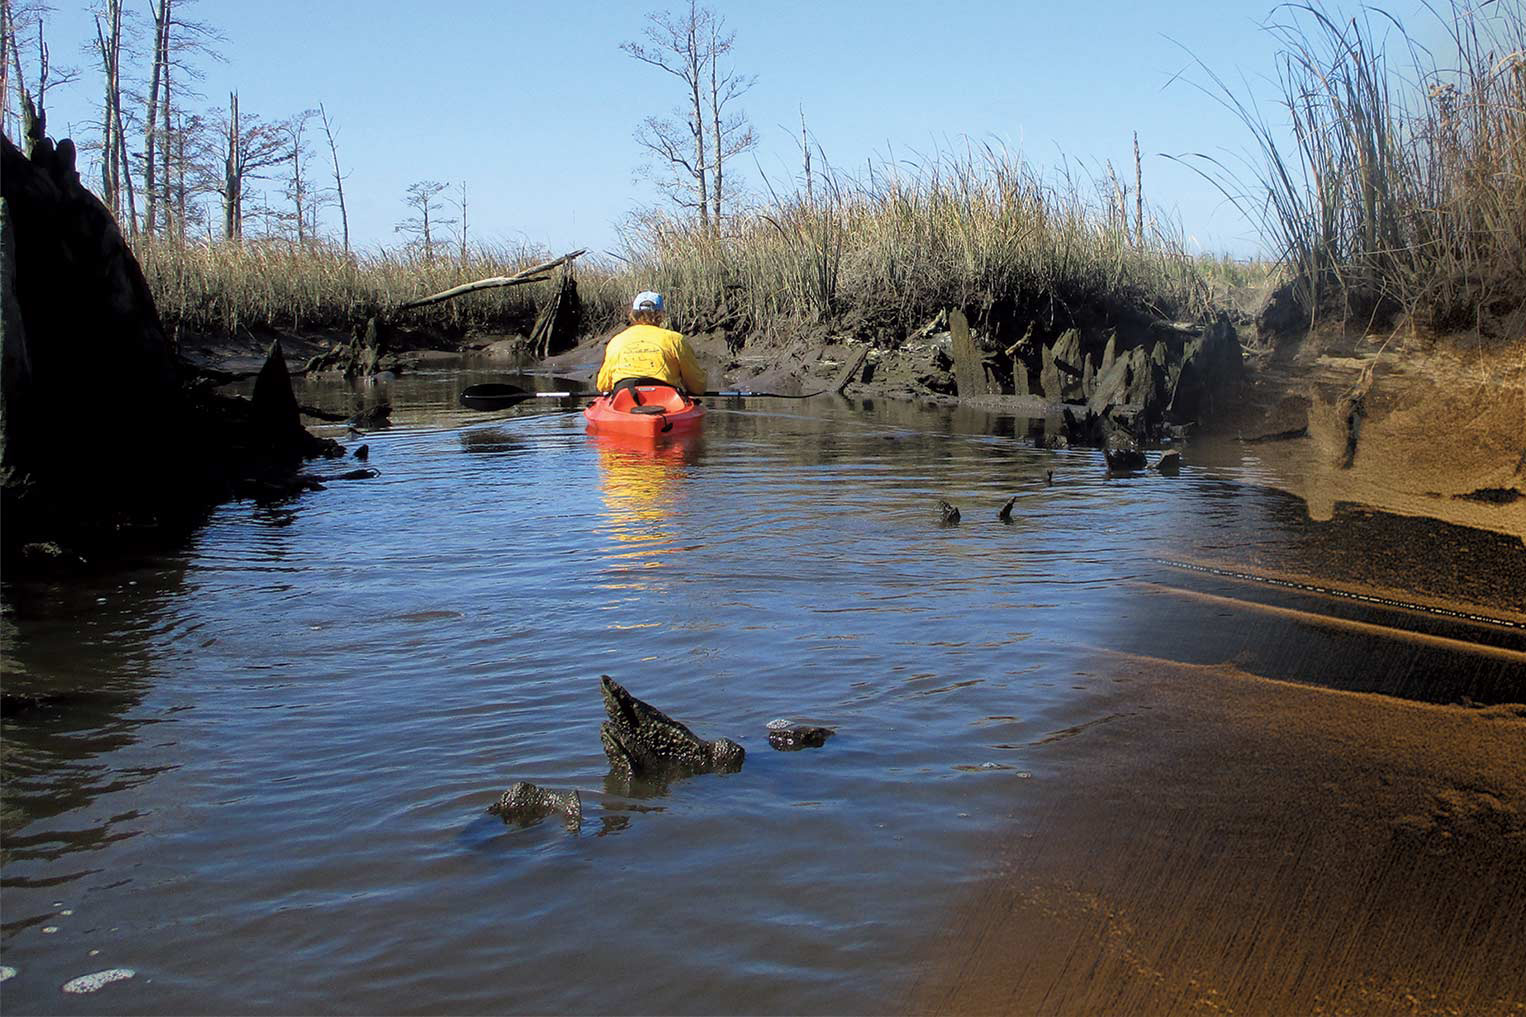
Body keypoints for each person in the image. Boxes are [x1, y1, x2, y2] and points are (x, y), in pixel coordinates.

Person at [595, 291, 707, 397]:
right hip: (666, 400)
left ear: (633, 314)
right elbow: (697, 387)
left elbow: (603, 385)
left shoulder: (616, 341)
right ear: (661, 314)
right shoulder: (675, 340)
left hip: (625, 399)